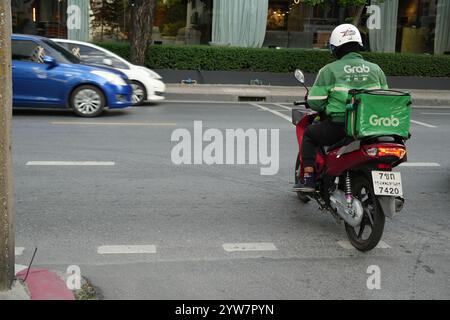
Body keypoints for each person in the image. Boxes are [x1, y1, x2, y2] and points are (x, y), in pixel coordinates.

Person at [294, 24, 388, 192]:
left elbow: (315, 102)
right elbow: (384, 96)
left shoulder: (329, 70)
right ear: (358, 44)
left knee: (309, 134)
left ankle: (308, 178)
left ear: (334, 47)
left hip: (340, 127)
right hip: (373, 127)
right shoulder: (376, 69)